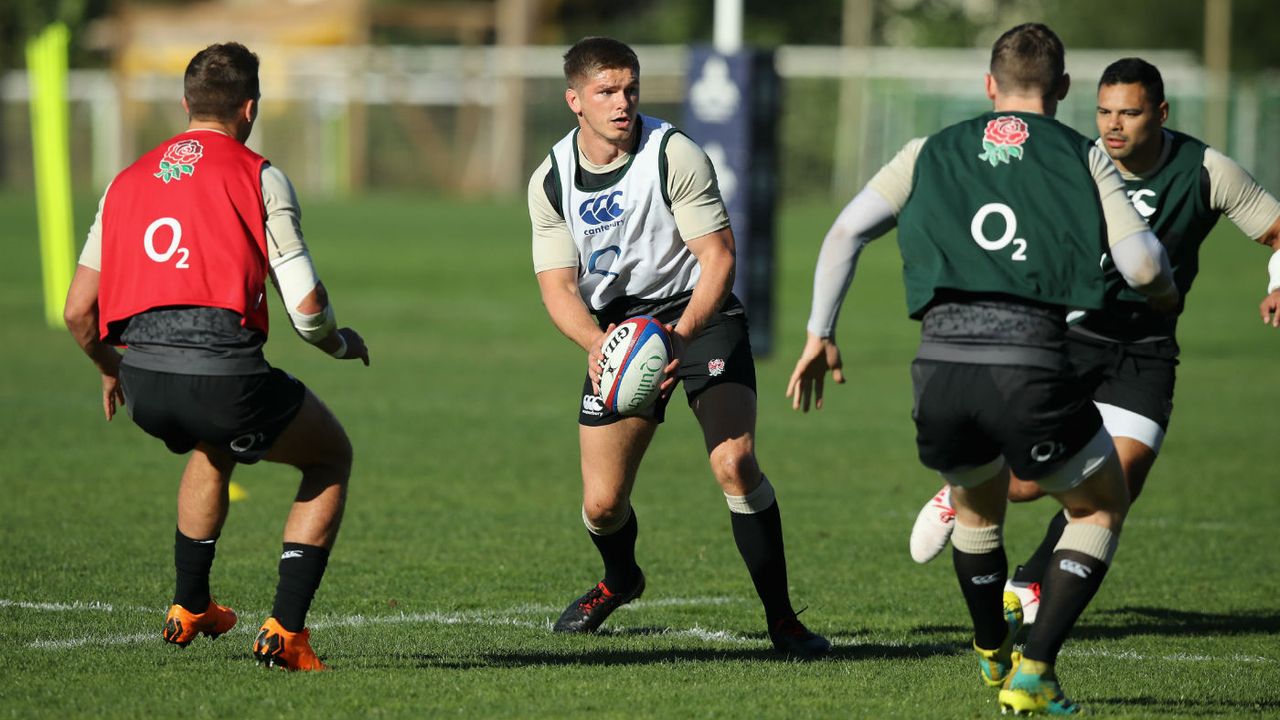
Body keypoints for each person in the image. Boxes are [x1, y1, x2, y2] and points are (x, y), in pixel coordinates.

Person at [786, 24, 1179, 714]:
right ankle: (1034, 671)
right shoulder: (1083, 154)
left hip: (938, 369)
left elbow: (846, 230)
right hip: (1028, 365)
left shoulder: (927, 150)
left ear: (989, 87)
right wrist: (1164, 291)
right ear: (1061, 90)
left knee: (977, 507)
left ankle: (990, 645)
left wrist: (820, 333)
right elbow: (1142, 264)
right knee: (1100, 505)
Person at [907, 57, 1280, 621]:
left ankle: (1029, 585)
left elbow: (1276, 232)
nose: (1113, 125)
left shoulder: (1205, 170)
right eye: (1104, 111)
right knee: (1026, 487)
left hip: (1147, 350)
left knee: (1117, 486)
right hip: (1071, 336)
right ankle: (960, 492)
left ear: (1160, 112)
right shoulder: (1072, 163)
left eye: (1129, 113)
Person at [63, 42, 369, 672]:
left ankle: (190, 604)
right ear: (250, 108)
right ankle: (285, 630)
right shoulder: (257, 174)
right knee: (330, 456)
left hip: (143, 378)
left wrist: (109, 367)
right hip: (222, 374)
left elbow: (77, 311)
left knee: (214, 444)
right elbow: (307, 310)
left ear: (185, 104)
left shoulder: (125, 181)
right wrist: (339, 343)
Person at [528, 36, 829, 659]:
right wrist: (595, 342)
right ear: (574, 101)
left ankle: (784, 621)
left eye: (630, 89)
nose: (622, 103)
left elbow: (719, 258)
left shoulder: (674, 153)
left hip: (698, 314)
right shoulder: (551, 180)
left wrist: (679, 338)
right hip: (617, 330)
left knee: (734, 464)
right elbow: (557, 287)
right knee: (604, 504)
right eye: (606, 92)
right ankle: (620, 579)